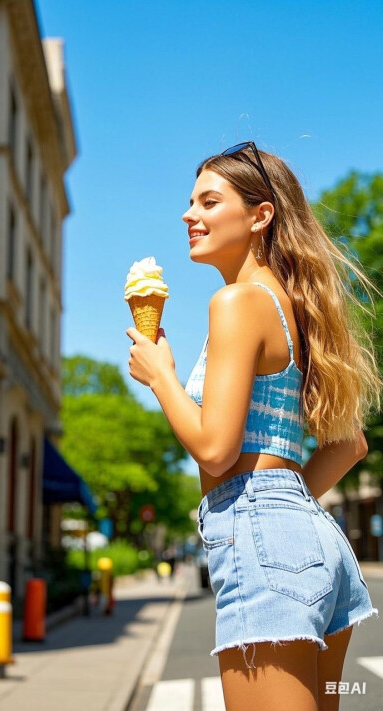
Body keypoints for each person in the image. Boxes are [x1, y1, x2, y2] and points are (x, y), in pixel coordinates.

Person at [126, 141, 381, 710]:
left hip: (266, 536)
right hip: (315, 540)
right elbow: (350, 444)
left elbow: (215, 451)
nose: (189, 215)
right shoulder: (299, 308)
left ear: (260, 214)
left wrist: (161, 375)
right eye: (190, 202)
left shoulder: (238, 302)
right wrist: (284, 513)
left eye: (209, 201)